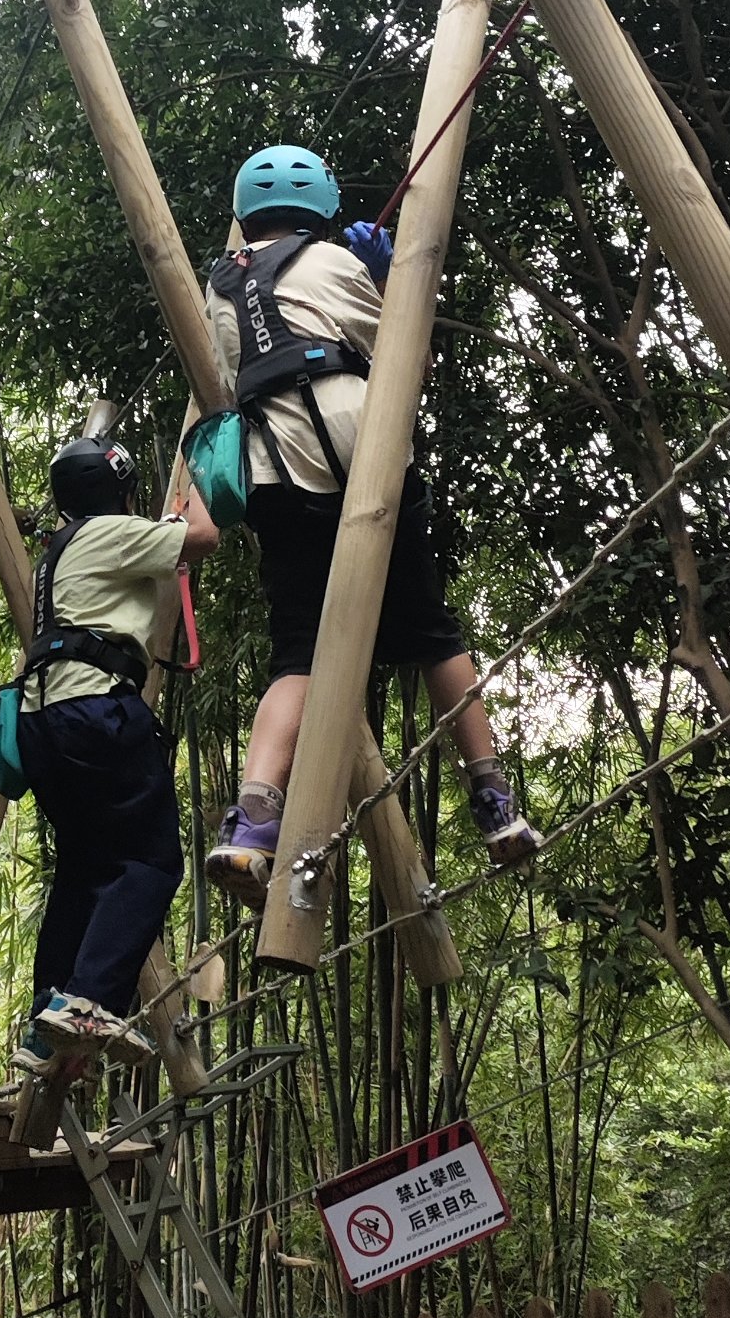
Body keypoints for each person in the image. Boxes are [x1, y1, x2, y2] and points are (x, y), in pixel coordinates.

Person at [202, 142, 537, 901]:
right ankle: (493, 800)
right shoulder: (333, 263)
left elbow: (233, 376)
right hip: (362, 460)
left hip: (274, 475)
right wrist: (385, 279)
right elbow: (405, 364)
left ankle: (252, 821)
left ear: (244, 214)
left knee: (298, 655)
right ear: (320, 204)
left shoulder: (217, 288)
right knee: (431, 634)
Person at [12, 437, 217, 1073]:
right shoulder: (111, 531)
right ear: (118, 491)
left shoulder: (56, 551)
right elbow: (203, 538)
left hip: (43, 719)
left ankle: (48, 1013)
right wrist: (194, 489)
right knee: (151, 862)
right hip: (96, 710)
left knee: (85, 867)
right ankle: (88, 1001)